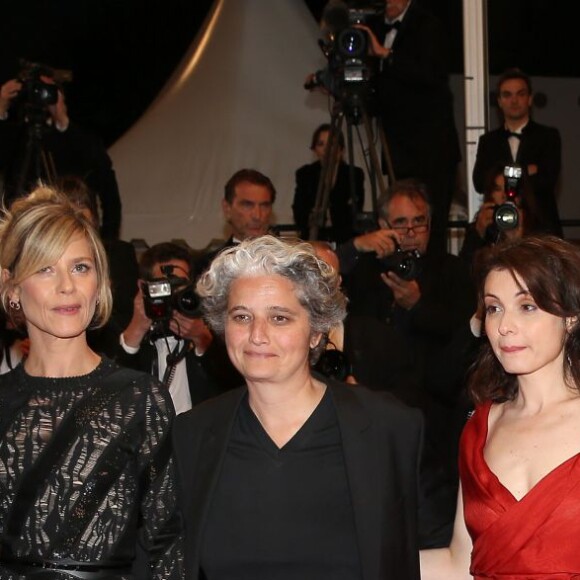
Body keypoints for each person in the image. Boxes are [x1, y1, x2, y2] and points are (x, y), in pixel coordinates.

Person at [174, 235, 425, 579]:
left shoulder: (389, 427)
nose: (257, 335)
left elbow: (427, 553)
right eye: (242, 317)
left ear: (316, 332)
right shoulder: (192, 435)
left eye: (279, 318)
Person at [0, 187, 183, 578]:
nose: (67, 285)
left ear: (99, 282)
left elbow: (168, 546)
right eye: (45, 268)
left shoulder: (139, 398)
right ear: (13, 287)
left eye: (80, 267)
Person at [420, 235, 580, 579]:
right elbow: (460, 564)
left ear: (570, 317)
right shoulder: (480, 428)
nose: (504, 326)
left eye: (527, 306)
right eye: (494, 308)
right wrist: (358, 557)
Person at [354, 0, 461, 252]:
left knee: (429, 228)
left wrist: (386, 54)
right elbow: (380, 94)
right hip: (397, 151)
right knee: (398, 222)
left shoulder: (428, 24)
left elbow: (431, 75)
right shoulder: (375, 27)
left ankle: (431, 287)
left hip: (432, 150)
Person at [117, 242, 241, 413]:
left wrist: (202, 338)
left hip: (198, 433)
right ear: (143, 287)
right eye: (164, 286)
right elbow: (113, 391)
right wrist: (136, 330)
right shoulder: (125, 329)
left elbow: (230, 383)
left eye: (179, 285)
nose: (172, 293)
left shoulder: (211, 328)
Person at [0, 72, 122, 239]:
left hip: (71, 233)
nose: (42, 95)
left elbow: (108, 191)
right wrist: (1, 107)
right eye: (36, 90)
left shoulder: (79, 141)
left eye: (49, 90)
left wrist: (63, 122)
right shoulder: (17, 137)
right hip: (21, 234)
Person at [472, 68, 562, 236]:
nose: (514, 100)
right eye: (507, 95)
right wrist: (526, 170)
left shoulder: (548, 136)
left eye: (520, 94)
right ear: (499, 101)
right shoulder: (488, 141)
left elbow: (548, 180)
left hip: (541, 227)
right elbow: (479, 182)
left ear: (530, 99)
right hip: (499, 226)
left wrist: (501, 173)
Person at [459, 164, 543, 266]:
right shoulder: (484, 224)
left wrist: (518, 241)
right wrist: (478, 234)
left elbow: (536, 273)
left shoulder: (535, 228)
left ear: (521, 195)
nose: (504, 195)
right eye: (498, 189)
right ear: (490, 194)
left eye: (510, 190)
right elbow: (464, 273)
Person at [292, 123, 364, 243]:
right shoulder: (305, 173)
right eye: (321, 144)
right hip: (314, 238)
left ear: (341, 149)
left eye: (332, 143)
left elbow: (355, 210)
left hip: (345, 238)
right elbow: (299, 210)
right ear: (314, 150)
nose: (326, 148)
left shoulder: (354, 173)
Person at [195, 168, 276, 275]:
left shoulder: (290, 261)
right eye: (247, 205)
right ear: (227, 208)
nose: (257, 215)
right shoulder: (207, 266)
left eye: (264, 206)